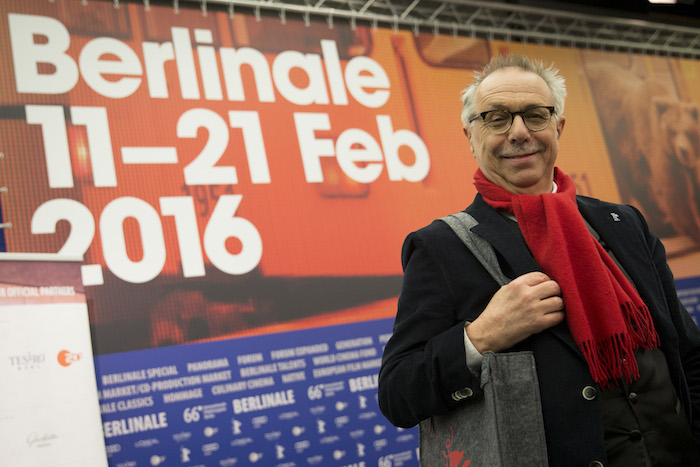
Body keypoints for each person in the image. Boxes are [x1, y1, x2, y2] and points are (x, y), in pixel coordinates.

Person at [378, 54, 700, 466]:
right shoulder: (441, 246)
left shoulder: (623, 222)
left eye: (535, 115)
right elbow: (398, 393)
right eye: (496, 118)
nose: (518, 132)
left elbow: (686, 350)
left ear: (558, 127)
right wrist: (480, 337)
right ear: (470, 135)